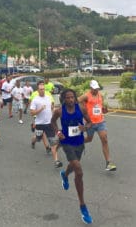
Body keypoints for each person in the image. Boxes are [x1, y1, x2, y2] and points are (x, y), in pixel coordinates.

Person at [51, 89, 93, 224]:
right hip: (67, 143)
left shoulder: (80, 108)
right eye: (68, 98)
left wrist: (85, 128)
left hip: (79, 143)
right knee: (79, 171)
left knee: (74, 166)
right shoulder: (59, 111)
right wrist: (58, 132)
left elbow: (89, 122)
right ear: (63, 100)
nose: (70, 100)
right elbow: (52, 123)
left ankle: (64, 174)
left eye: (72, 97)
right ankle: (82, 205)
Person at [78, 80, 117, 171]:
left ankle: (108, 163)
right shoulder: (86, 96)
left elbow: (99, 106)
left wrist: (103, 110)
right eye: (94, 88)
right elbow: (76, 101)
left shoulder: (100, 95)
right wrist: (82, 108)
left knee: (104, 139)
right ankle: (78, 142)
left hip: (100, 122)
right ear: (91, 88)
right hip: (90, 123)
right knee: (89, 139)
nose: (96, 90)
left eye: (97, 88)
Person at [30, 81, 62, 168]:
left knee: (53, 142)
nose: (42, 91)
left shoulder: (48, 97)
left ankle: (56, 161)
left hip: (49, 123)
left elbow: (52, 106)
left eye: (43, 89)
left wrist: (53, 110)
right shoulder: (35, 100)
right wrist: (40, 109)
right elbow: (32, 113)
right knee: (38, 138)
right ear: (38, 90)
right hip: (39, 124)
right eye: (40, 89)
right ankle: (33, 141)